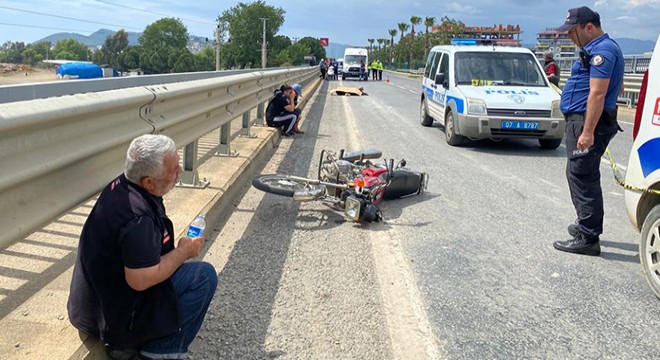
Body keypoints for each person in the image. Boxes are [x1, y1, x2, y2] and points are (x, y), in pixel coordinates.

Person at [67, 134, 218, 360]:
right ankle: (159, 352)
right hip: (115, 318)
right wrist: (184, 252)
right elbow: (141, 280)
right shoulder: (137, 220)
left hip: (95, 306)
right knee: (203, 277)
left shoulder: (123, 185)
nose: (179, 173)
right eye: (173, 170)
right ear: (148, 181)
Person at [552, 6, 624, 256]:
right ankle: (586, 225)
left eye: (573, 32)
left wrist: (588, 131)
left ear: (589, 27)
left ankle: (589, 236)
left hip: (587, 122)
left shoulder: (603, 51)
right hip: (582, 120)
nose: (570, 37)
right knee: (578, 172)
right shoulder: (596, 49)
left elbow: (598, 93)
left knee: (583, 175)